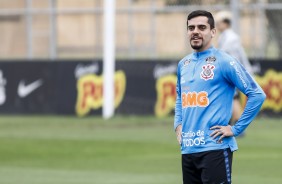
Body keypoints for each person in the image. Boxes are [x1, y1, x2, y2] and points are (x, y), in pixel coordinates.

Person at [174, 10, 265, 184]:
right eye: (191, 28)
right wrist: (177, 124)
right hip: (188, 149)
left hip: (215, 148)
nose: (195, 31)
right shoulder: (183, 64)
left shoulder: (224, 61)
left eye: (202, 27)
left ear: (213, 32)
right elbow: (180, 97)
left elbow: (257, 95)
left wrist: (236, 129)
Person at [215, 11, 254, 127]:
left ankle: (237, 123)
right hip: (230, 71)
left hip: (232, 71)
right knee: (231, 96)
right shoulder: (225, 36)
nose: (217, 25)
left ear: (226, 23)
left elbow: (228, 55)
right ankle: (232, 122)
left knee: (233, 97)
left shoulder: (231, 38)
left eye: (219, 22)